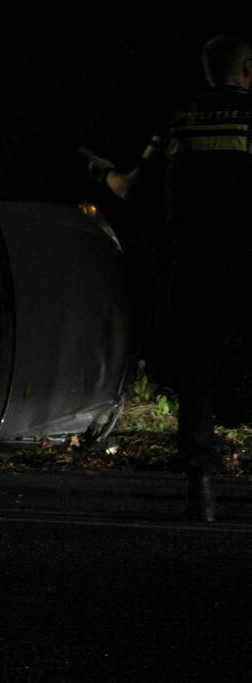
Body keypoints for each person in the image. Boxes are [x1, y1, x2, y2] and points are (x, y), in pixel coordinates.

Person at [83, 34, 252, 522]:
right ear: (246, 69)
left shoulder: (180, 122)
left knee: (198, 374)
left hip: (194, 266)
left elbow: (134, 187)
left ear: (208, 72)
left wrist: (104, 173)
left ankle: (201, 490)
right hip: (248, 263)